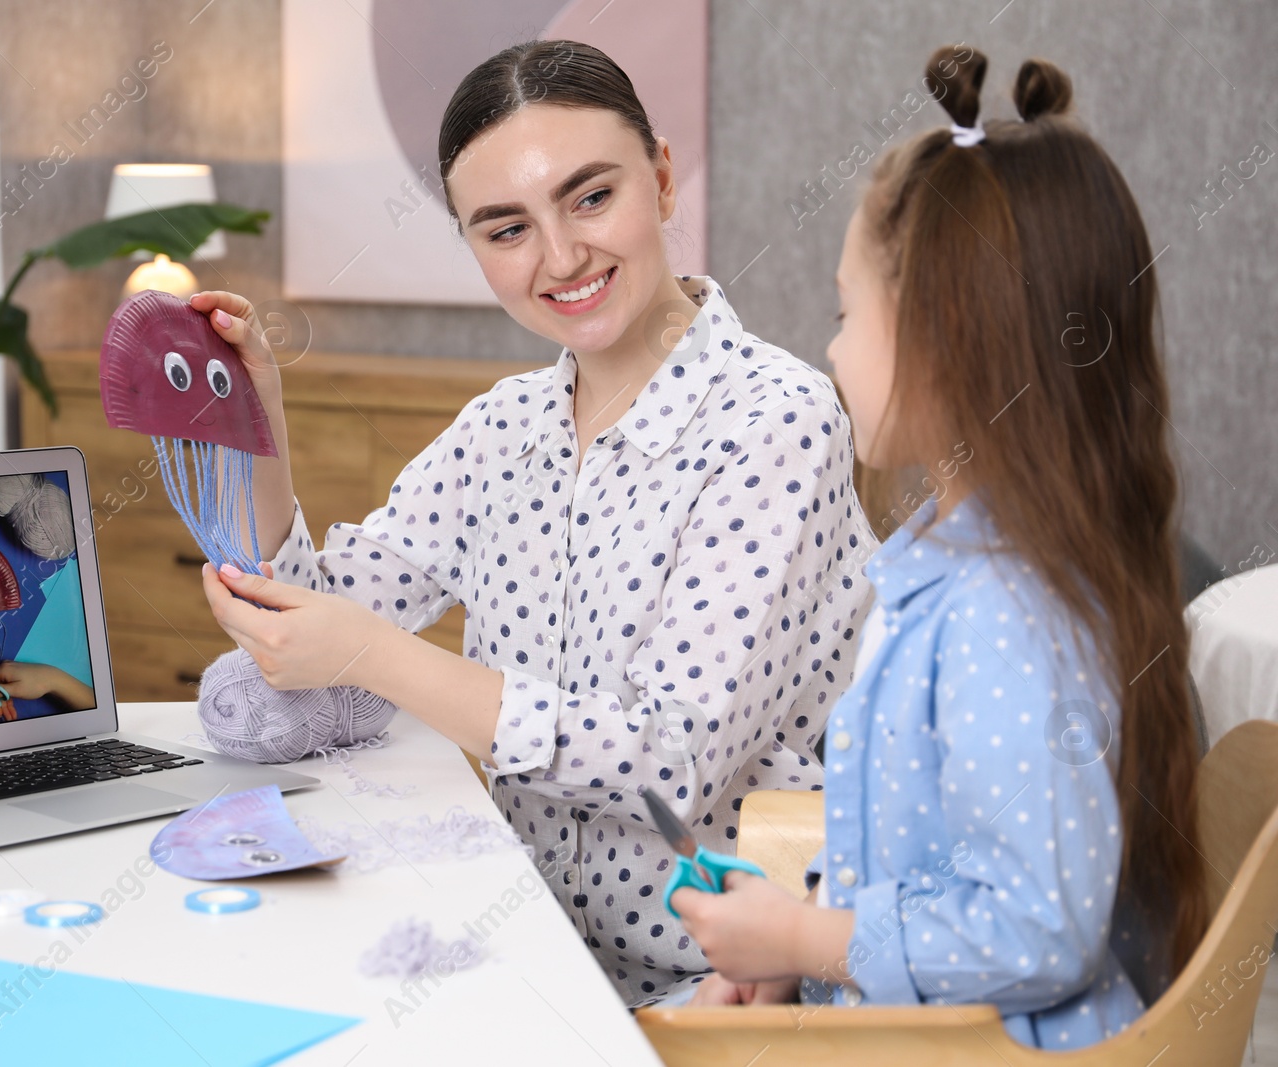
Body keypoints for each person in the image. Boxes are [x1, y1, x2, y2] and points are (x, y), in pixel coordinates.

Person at [195, 40, 873, 1004]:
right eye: (505, 229)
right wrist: (254, 414)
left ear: (663, 177)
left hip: (723, 985)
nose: (560, 258)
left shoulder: (776, 421)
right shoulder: (501, 429)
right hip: (534, 953)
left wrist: (377, 657)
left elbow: (667, 758)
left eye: (592, 197)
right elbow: (322, 620)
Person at [670, 45, 1207, 1049]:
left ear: (943, 332)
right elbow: (931, 857)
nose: (828, 348)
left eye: (845, 312)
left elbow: (1037, 927)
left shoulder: (1002, 613)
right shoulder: (962, 569)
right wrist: (798, 939)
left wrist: (802, 933)